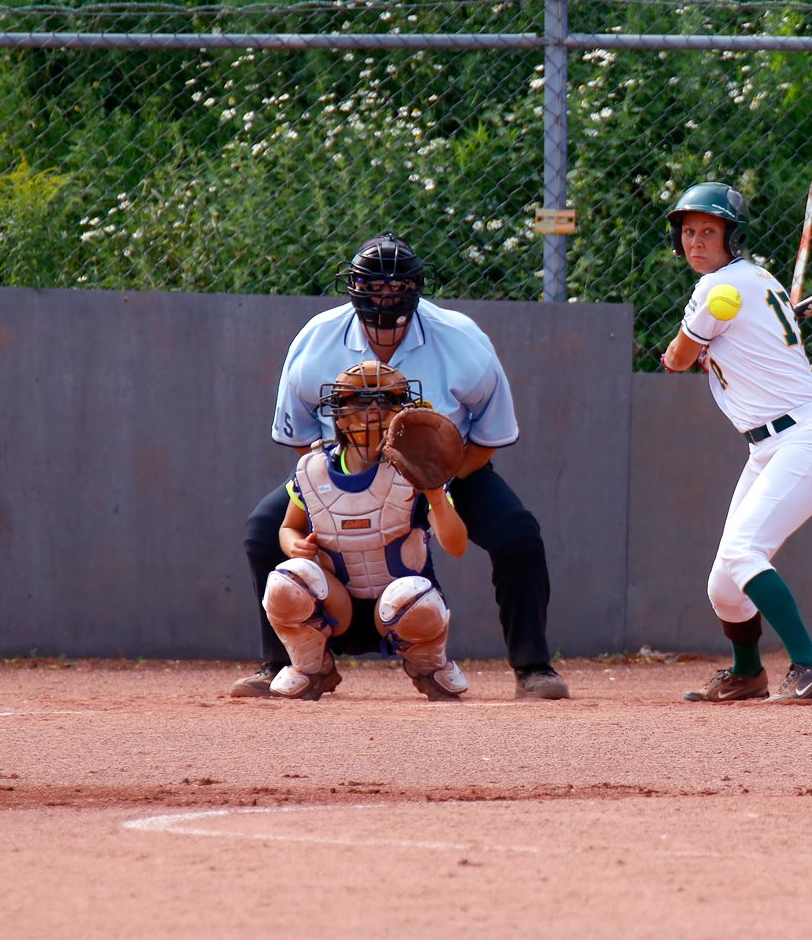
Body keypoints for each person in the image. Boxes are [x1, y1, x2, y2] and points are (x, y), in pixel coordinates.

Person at [233, 232, 570, 700]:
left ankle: (533, 668)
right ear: (353, 291)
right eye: (373, 289)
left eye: (395, 290)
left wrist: (430, 485)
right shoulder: (316, 341)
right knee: (261, 532)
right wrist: (334, 486)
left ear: (415, 291)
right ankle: (281, 663)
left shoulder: (460, 340)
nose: (384, 300)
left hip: (440, 473)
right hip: (345, 469)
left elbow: (489, 437)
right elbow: (300, 438)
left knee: (518, 536)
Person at [660, 181, 812, 704]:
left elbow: (678, 358)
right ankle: (747, 673)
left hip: (807, 438)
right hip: (769, 445)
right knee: (724, 582)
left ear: (731, 237)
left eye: (709, 231)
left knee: (745, 552)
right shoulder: (755, 281)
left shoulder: (721, 288)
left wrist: (683, 352)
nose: (696, 241)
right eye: (688, 232)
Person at [263, 360, 469, 701]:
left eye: (386, 400)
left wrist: (433, 489)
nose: (374, 410)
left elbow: (457, 545)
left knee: (414, 597)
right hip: (334, 608)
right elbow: (289, 528)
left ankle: (429, 668)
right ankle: (313, 668)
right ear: (340, 415)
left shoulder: (417, 471)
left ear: (402, 411)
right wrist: (295, 545)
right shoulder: (314, 470)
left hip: (398, 608)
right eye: (360, 400)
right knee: (287, 581)